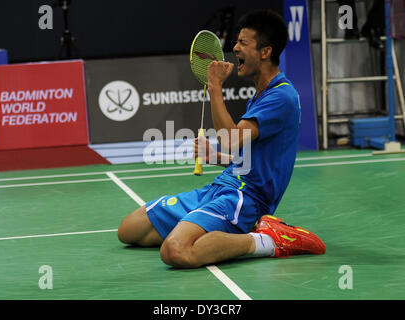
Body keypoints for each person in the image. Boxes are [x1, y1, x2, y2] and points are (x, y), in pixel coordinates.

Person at [117, 9, 326, 268]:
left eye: (243, 43)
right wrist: (220, 158)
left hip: (245, 198)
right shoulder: (262, 94)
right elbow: (252, 154)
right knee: (130, 230)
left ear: (265, 51)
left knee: (175, 251)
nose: (235, 48)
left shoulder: (282, 97)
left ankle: (270, 240)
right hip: (222, 187)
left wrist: (214, 86)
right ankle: (215, 229)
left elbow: (229, 139)